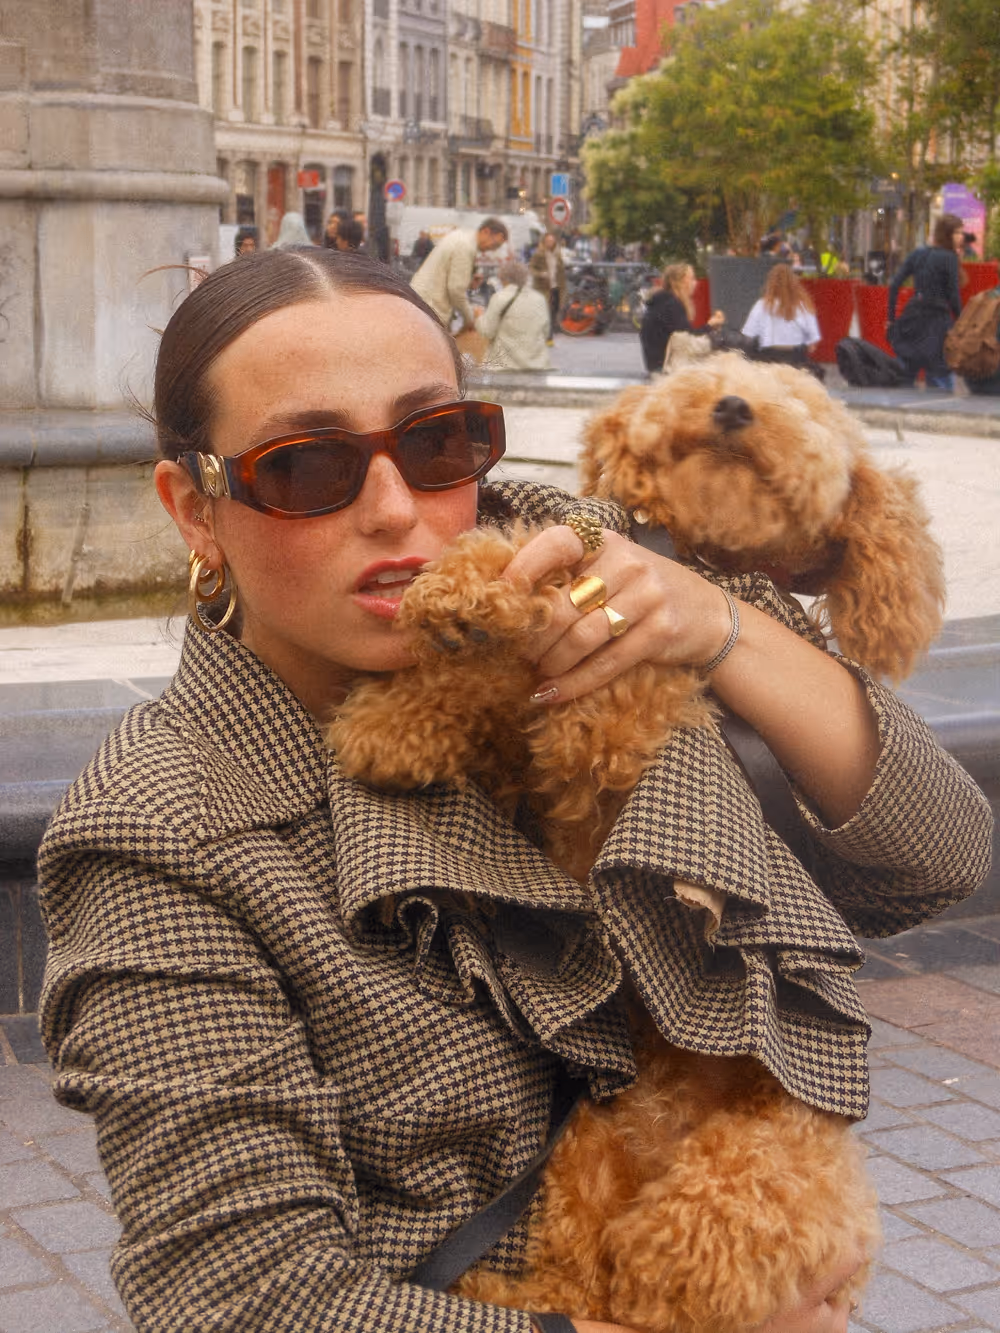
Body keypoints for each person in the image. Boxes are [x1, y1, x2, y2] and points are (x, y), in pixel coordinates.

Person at [37, 249, 992, 1333]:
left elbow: (939, 857)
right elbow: (242, 1296)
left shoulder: (605, 579)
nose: (397, 510)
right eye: (309, 465)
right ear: (194, 509)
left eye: (435, 441)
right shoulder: (160, 825)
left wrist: (719, 625)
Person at [887, 212, 964, 391]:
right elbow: (953, 295)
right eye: (958, 232)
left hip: (912, 320)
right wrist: (961, 324)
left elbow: (894, 285)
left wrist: (890, 319)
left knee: (903, 380)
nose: (961, 237)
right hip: (937, 325)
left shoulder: (918, 253)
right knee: (940, 381)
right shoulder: (949, 258)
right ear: (948, 234)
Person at [410, 217, 509, 332]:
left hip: (422, 301)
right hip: (430, 307)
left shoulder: (460, 236)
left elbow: (448, 275)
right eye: (494, 245)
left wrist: (469, 281)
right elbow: (456, 290)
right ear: (486, 231)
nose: (491, 249)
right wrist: (470, 318)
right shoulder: (465, 247)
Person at [638, 261, 724, 374]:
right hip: (666, 367)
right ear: (679, 283)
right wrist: (710, 325)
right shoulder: (672, 305)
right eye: (692, 279)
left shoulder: (662, 302)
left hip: (655, 365)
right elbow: (689, 337)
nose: (695, 283)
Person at [742, 263, 822, 376]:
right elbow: (813, 342)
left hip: (768, 360)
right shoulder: (804, 306)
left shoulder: (761, 305)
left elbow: (748, 336)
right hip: (796, 361)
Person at [478, 259, 551, 370]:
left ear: (503, 278)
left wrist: (479, 318)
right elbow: (545, 332)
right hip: (538, 365)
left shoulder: (500, 297)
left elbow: (487, 331)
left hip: (505, 366)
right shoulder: (539, 299)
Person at [529, 232, 568, 343]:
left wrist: (563, 284)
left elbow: (561, 270)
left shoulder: (558, 254)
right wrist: (541, 274)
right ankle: (546, 337)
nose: (550, 243)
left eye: (552, 241)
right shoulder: (538, 254)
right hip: (543, 287)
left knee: (554, 311)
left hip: (556, 287)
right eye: (548, 241)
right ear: (544, 242)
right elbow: (531, 268)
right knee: (545, 312)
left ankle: (548, 336)